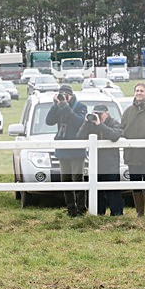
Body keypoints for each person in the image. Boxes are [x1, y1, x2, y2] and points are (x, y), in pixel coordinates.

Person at [45, 84, 88, 217]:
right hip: (63, 148)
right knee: (66, 179)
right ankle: (71, 209)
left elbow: (79, 122)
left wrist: (65, 106)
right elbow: (49, 121)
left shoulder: (81, 106)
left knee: (77, 179)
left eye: (66, 95)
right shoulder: (59, 106)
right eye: (61, 95)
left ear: (71, 95)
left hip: (76, 149)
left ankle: (81, 209)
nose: (64, 97)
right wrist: (55, 105)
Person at [77, 104, 123, 216]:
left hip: (111, 162)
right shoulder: (90, 124)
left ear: (107, 113)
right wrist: (86, 122)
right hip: (95, 162)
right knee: (97, 191)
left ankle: (116, 214)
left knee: (113, 189)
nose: (98, 115)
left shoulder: (113, 122)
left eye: (100, 113)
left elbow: (115, 136)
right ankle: (99, 213)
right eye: (95, 113)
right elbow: (79, 137)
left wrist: (100, 124)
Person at [121, 82, 145, 216]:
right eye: (137, 91)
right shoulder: (128, 111)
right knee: (135, 183)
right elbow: (121, 129)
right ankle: (139, 213)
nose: (139, 93)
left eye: (142, 91)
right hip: (132, 155)